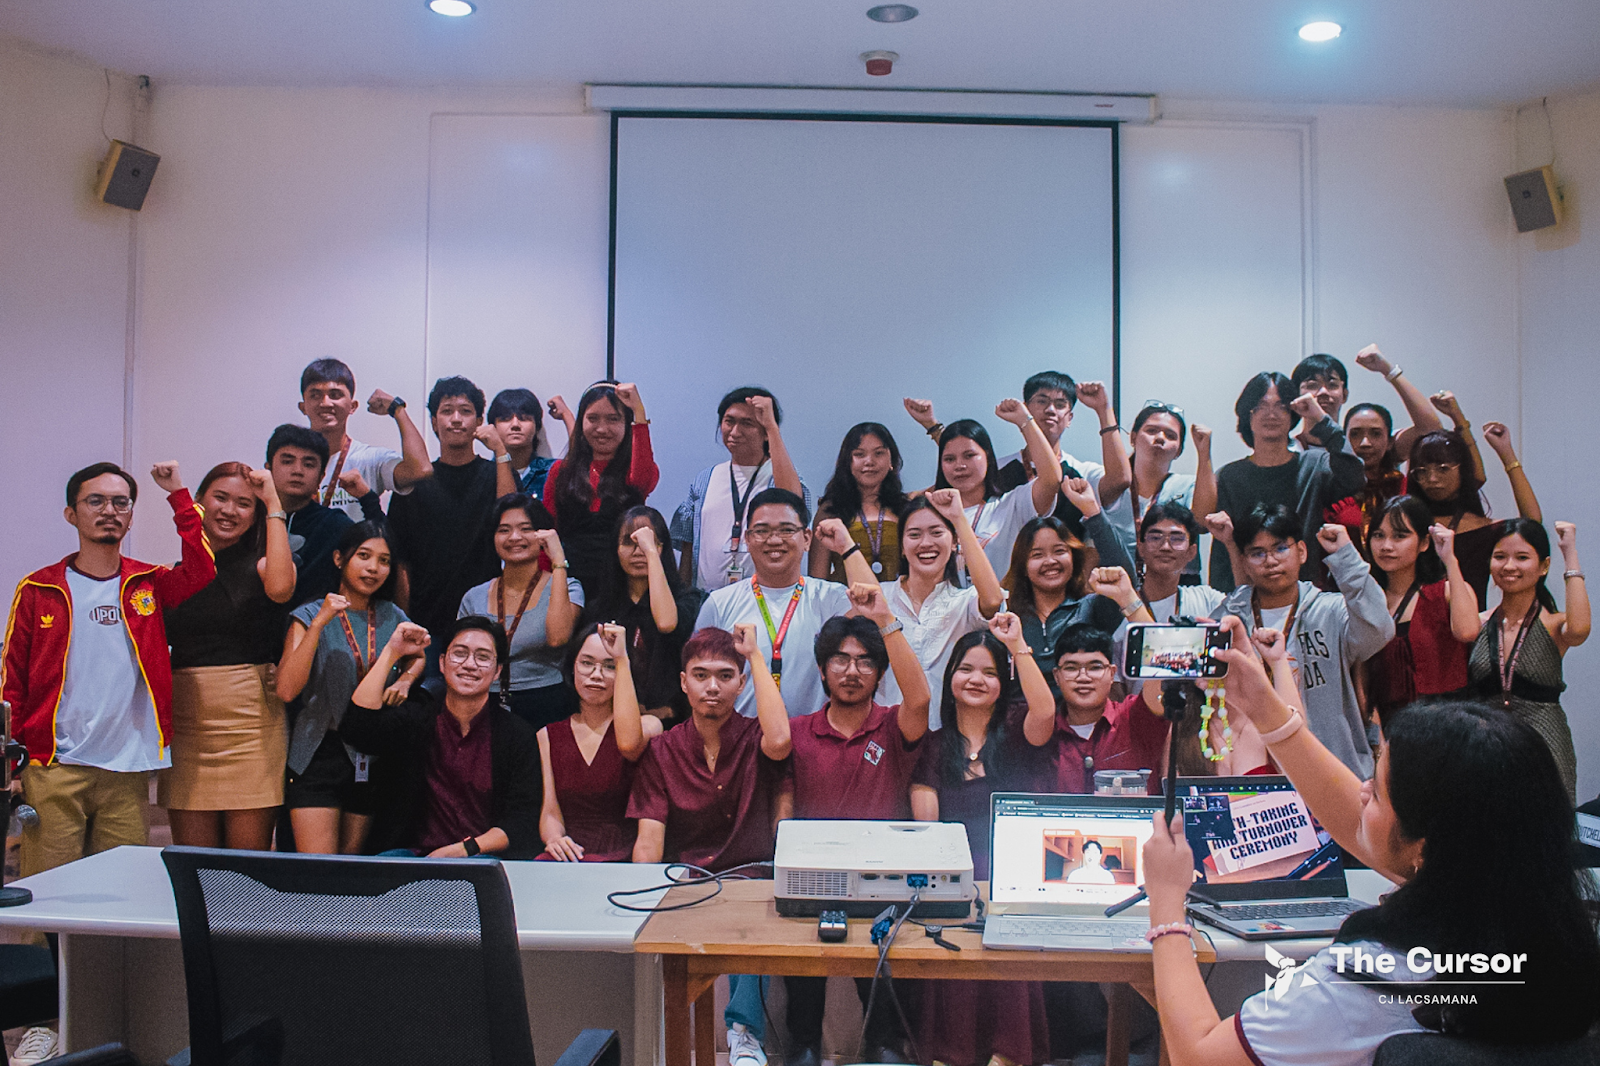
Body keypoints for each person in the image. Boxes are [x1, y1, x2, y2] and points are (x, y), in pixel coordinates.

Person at [1142, 614, 1600, 1066]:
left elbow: (1198, 1055)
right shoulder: (1553, 939)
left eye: (1377, 792)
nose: (1361, 792)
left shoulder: (1363, 982)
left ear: (1426, 847)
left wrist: (1166, 904)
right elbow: (1356, 821)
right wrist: (1266, 711)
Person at [4, 461, 214, 878]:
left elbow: (200, 570)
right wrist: (12, 765)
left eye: (121, 502)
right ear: (72, 514)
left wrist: (177, 494)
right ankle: (38, 950)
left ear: (131, 515)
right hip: (54, 767)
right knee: (49, 896)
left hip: (126, 769)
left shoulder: (146, 583)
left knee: (120, 896)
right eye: (95, 501)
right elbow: (12, 684)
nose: (109, 510)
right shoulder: (39, 589)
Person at [629, 624, 793, 1066]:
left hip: (751, 874)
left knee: (752, 907)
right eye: (701, 675)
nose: (713, 686)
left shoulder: (757, 737)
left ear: (742, 683)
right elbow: (649, 837)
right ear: (683, 682)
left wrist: (755, 655)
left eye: (725, 675)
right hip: (687, 876)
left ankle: (744, 1035)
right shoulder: (662, 749)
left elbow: (780, 742)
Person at [780, 587, 931, 1066]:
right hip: (811, 882)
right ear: (823, 669)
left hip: (882, 886)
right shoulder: (798, 731)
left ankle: (884, 1048)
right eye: (841, 660)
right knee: (802, 1003)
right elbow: (784, 811)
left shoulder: (893, 725)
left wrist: (885, 619)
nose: (851, 671)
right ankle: (802, 1049)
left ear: (881, 673)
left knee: (884, 1010)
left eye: (866, 662)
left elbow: (922, 694)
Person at [909, 620, 1053, 1066]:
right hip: (954, 879)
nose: (976, 680)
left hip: (1014, 877)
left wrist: (1017, 647)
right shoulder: (934, 746)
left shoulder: (1019, 735)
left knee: (1007, 956)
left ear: (1003, 682)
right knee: (951, 949)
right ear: (950, 678)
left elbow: (1046, 712)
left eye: (990, 672)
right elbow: (928, 828)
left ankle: (1005, 1055)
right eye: (966, 669)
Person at [160, 462, 296, 849]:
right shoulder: (175, 572)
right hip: (187, 724)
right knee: (193, 862)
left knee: (245, 867)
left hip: (252, 724)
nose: (229, 510)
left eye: (243, 504)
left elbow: (283, 590)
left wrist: (272, 500)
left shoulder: (265, 562)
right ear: (200, 500)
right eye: (220, 498)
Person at [342, 617, 544, 858]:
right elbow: (358, 729)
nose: (470, 664)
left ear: (498, 671)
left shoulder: (516, 735)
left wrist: (465, 849)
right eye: (460, 653)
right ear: (442, 662)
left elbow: (522, 821)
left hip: (481, 856)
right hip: (413, 854)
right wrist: (391, 652)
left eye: (482, 657)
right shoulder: (418, 718)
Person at [277, 521, 423, 854]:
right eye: (364, 556)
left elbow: (419, 656)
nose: (373, 568)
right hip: (318, 750)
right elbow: (286, 690)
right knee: (320, 870)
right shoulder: (309, 614)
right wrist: (318, 624)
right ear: (339, 559)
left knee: (355, 868)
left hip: (371, 752)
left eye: (384, 561)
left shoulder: (393, 614)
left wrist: (406, 679)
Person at [1218, 505, 1393, 777]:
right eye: (1257, 553)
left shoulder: (1332, 610)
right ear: (1243, 562)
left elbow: (1379, 631)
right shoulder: (1230, 619)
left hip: (1331, 767)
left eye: (1280, 548)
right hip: (1254, 771)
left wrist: (1346, 558)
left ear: (1302, 551)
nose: (1271, 560)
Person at [826, 491, 1002, 729]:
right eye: (914, 535)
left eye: (937, 532)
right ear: (901, 546)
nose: (926, 543)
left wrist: (959, 518)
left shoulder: (966, 600)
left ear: (954, 543)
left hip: (950, 736)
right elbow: (866, 598)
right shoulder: (883, 597)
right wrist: (847, 547)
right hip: (887, 734)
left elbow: (992, 600)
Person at [694, 488, 853, 719]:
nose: (775, 540)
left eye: (787, 530)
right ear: (747, 540)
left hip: (814, 742)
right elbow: (699, 678)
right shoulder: (719, 604)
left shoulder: (831, 598)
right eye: (761, 531)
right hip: (740, 744)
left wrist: (847, 547)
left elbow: (876, 618)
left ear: (806, 538)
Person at [905, 373, 1123, 540]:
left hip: (1065, 576)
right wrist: (932, 427)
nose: (1050, 410)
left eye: (1060, 404)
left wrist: (1103, 410)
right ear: (1026, 407)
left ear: (1070, 417)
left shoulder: (1081, 472)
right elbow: (964, 462)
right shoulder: (999, 469)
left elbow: (1120, 480)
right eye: (1041, 401)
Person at [1209, 372, 1366, 591]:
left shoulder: (1315, 465)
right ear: (1248, 416)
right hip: (1244, 598)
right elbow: (1222, 549)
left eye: (1281, 406)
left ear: (1293, 414)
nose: (1271, 414)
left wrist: (1321, 420)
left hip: (1304, 596)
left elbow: (1355, 479)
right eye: (1261, 406)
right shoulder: (1229, 476)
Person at [1468, 519, 1589, 802]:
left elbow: (1580, 629)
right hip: (1488, 744)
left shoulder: (1554, 624)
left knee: (1545, 835)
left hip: (1545, 743)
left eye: (1522, 557)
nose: (1509, 566)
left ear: (1543, 566)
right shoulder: (1478, 623)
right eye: (1500, 557)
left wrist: (1569, 550)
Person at [1021, 570, 1168, 795]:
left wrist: (1128, 599)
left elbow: (1161, 662)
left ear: (1112, 673)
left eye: (1095, 667)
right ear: (1057, 676)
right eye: (1071, 667)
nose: (1083, 677)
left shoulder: (1135, 718)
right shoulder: (1044, 730)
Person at [387, 376, 502, 653]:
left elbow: (511, 517)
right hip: (424, 625)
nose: (456, 419)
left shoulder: (494, 475)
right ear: (434, 421)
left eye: (465, 411)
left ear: (479, 420)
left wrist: (501, 452)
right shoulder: (414, 483)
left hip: (484, 622)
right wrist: (404, 621)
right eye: (447, 411)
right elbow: (400, 562)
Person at [536, 623, 662, 861]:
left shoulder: (649, 725)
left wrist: (622, 657)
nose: (596, 675)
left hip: (624, 853)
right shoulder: (547, 734)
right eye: (586, 663)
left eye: (609, 666)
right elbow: (550, 812)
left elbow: (630, 745)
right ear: (572, 667)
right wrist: (554, 839)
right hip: (571, 853)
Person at [457, 494, 582, 731]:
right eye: (504, 530)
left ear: (543, 534)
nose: (515, 537)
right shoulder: (474, 597)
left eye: (526, 529)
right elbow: (462, 658)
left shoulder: (567, 587)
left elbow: (558, 637)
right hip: (484, 701)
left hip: (546, 703)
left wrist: (558, 561)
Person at [672, 386, 809, 591]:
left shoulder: (778, 475)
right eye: (729, 421)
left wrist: (772, 427)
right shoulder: (705, 479)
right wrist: (682, 595)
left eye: (747, 423)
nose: (735, 432)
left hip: (764, 598)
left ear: (765, 432)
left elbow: (793, 503)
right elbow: (687, 545)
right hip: (706, 599)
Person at [1003, 481, 1135, 687]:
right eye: (1037, 555)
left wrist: (1092, 510)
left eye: (1059, 551)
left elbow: (1124, 577)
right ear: (1023, 566)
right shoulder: (1009, 616)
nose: (1050, 561)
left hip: (1082, 716)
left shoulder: (1092, 609)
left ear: (1074, 558)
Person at [582, 506, 705, 722]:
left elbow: (667, 623)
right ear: (615, 549)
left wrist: (652, 554)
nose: (638, 552)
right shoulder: (599, 608)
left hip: (676, 722)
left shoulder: (687, 599)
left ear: (662, 548)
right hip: (612, 719)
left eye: (647, 543)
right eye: (629, 543)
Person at [1362, 497, 1477, 727]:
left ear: (1424, 543)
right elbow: (1360, 671)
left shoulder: (1445, 591)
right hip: (1386, 726)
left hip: (1446, 724)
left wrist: (1449, 560)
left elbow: (1467, 632)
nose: (1386, 546)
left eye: (1399, 536)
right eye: (1378, 535)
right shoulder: (1366, 599)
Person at [1408, 419, 1542, 609]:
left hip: (1470, 632)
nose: (1432, 478)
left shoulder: (1484, 529)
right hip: (1408, 631)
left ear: (1463, 470)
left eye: (1443, 469)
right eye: (1422, 471)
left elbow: (1532, 523)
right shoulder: (1406, 522)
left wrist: (1507, 455)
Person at [542, 381, 659, 598]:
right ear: (581, 421)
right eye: (593, 419)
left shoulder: (634, 471)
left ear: (627, 423)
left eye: (613, 419)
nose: (602, 429)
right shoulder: (561, 470)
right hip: (568, 587)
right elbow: (547, 531)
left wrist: (639, 413)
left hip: (623, 588)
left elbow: (643, 478)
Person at [926, 401, 1065, 582]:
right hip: (946, 609)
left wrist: (1025, 421)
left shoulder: (1011, 505)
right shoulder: (929, 513)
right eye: (949, 459)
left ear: (989, 457)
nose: (959, 466)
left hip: (1005, 607)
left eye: (969, 456)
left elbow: (1051, 479)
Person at [297, 357, 432, 520]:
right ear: (303, 407)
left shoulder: (369, 459)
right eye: (315, 395)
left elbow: (420, 470)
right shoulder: (291, 462)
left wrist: (397, 409)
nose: (325, 403)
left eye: (335, 395)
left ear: (352, 406)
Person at [1100, 401, 1216, 578]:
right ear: (1133, 438)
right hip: (1118, 585)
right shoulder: (1113, 484)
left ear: (1179, 450)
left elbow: (1203, 522)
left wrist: (1204, 453)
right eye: (1151, 431)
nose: (1160, 437)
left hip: (1178, 587)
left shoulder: (1187, 485)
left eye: (1170, 435)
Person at [265, 423, 359, 607]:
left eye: (308, 464)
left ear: (321, 476)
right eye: (287, 461)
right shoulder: (248, 518)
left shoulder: (336, 526)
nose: (297, 471)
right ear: (268, 469)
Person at [1291, 347, 1441, 455]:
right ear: (1296, 396)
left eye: (1332, 385)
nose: (1323, 392)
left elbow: (1430, 429)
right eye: (1312, 385)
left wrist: (1388, 370)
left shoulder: (1363, 443)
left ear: (1344, 395)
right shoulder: (1288, 450)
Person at [809, 421, 909, 581]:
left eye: (879, 453)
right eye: (859, 454)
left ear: (892, 460)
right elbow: (817, 580)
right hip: (845, 602)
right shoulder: (831, 510)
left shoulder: (905, 507)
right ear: (847, 461)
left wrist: (932, 426)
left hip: (899, 603)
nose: (869, 461)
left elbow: (948, 483)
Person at [1135, 502, 1225, 623]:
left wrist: (1230, 543)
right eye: (1156, 538)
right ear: (1140, 547)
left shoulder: (1207, 600)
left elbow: (1245, 608)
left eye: (1177, 539)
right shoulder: (1122, 603)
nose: (1165, 547)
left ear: (1191, 552)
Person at [481, 387, 559, 499]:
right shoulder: (483, 474)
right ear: (493, 427)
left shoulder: (553, 470)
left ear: (537, 426)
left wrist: (566, 416)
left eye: (524, 419)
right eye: (505, 419)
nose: (515, 425)